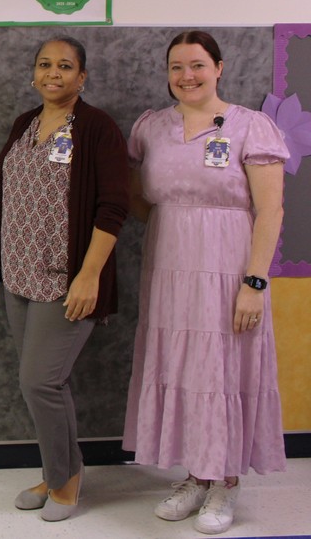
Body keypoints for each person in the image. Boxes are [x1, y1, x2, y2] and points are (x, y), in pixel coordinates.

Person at [123, 30, 287, 535]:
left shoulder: (251, 128)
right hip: (170, 270)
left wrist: (253, 283)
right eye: (176, 67)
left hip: (230, 268)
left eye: (197, 65)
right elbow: (138, 200)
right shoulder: (150, 128)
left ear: (219, 67)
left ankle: (226, 484)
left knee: (224, 369)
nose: (186, 76)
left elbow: (271, 211)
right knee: (185, 369)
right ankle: (196, 475)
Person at [0, 37, 129, 522]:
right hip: (19, 273)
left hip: (66, 279)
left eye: (66, 66)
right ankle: (57, 469)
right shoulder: (25, 124)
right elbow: (7, 195)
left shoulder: (97, 128)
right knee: (45, 384)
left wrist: (90, 275)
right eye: (45, 65)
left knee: (39, 381)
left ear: (82, 77)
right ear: (33, 73)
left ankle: (66, 480)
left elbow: (114, 206)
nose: (54, 73)